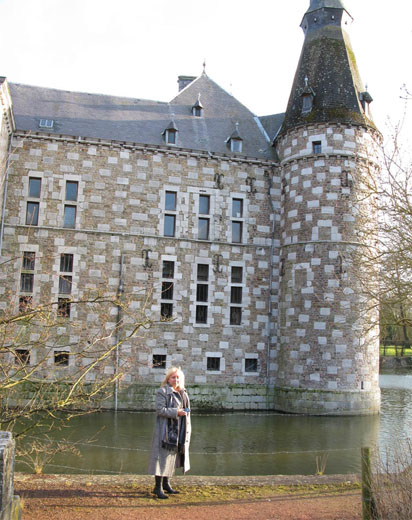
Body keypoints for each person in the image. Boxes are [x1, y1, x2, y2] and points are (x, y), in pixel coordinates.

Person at [147, 366, 191, 499]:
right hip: (165, 431)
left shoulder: (183, 392)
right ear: (168, 379)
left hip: (179, 429)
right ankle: (157, 487)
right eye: (173, 377)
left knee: (172, 457)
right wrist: (177, 412)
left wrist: (184, 413)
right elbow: (160, 410)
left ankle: (166, 484)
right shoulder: (162, 391)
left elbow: (186, 409)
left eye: (178, 377)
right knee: (161, 458)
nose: (176, 380)